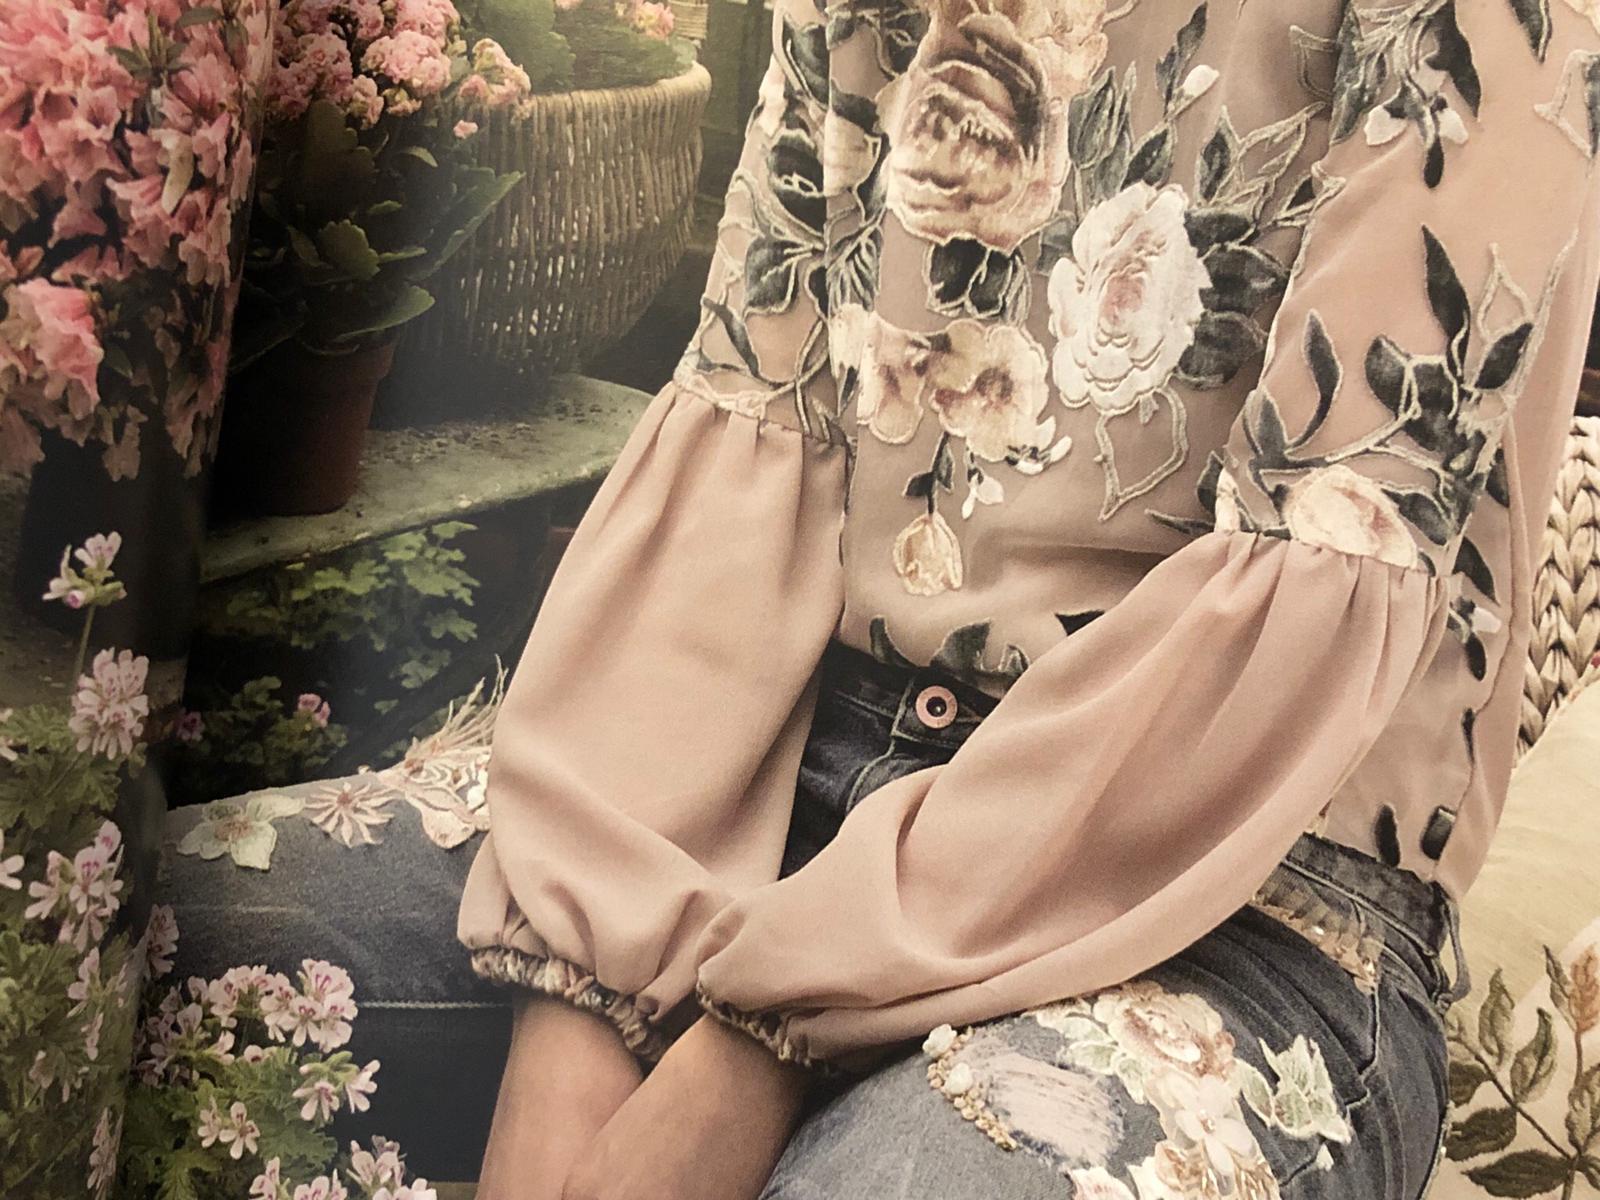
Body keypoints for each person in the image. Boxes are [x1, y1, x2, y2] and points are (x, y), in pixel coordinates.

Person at [457, 0, 1600, 1194]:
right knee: (308, 950)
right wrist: (576, 989)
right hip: (784, 755)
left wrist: (756, 1041)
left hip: (1242, 890)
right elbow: (752, 413)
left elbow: (1326, 558)